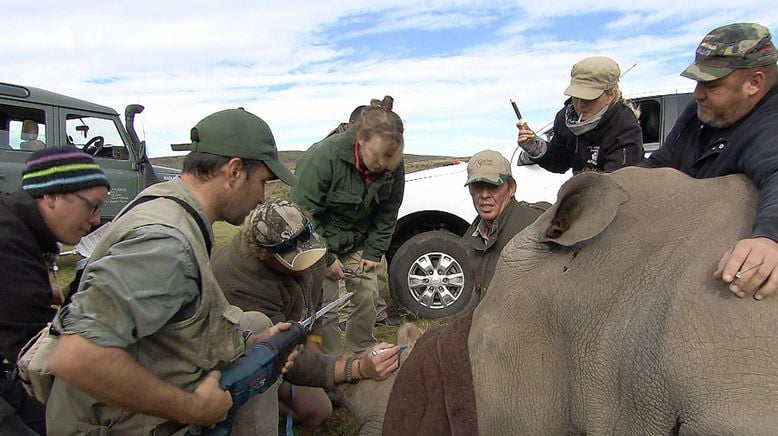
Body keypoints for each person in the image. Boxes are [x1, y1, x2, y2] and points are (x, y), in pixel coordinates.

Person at [44, 108, 299, 434]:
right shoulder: (166, 244)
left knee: (253, 324)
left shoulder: (168, 206)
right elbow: (77, 356)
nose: (262, 198)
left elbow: (175, 320)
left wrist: (250, 342)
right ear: (234, 171)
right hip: (107, 423)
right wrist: (194, 408)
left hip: (115, 406)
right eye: (262, 182)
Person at [212, 199, 401, 433]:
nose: (305, 266)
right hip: (237, 359)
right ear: (265, 254)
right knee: (315, 409)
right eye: (294, 259)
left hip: (287, 345)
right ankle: (236, 405)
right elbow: (279, 356)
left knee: (321, 397)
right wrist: (357, 368)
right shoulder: (239, 282)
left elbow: (313, 313)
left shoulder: (307, 247)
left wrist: (315, 349)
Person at [640, 22, 778, 301]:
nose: (697, 94)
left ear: (755, 83)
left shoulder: (770, 123)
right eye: (698, 82)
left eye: (712, 85)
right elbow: (662, 163)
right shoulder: (700, 112)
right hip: (680, 246)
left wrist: (768, 238)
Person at [0, 146, 109, 435]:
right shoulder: (9, 242)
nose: (96, 220)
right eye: (92, 206)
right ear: (50, 196)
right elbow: (34, 350)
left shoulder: (18, 228)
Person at [291, 95, 405, 355]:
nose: (383, 165)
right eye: (378, 157)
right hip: (316, 239)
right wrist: (327, 257)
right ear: (360, 140)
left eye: (390, 157)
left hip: (357, 239)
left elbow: (388, 211)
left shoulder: (392, 162)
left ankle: (362, 350)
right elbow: (302, 214)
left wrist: (373, 252)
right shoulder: (322, 158)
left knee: (367, 291)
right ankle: (328, 363)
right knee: (327, 304)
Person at [327, 105, 401, 329]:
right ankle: (343, 319)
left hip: (366, 221)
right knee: (346, 272)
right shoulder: (331, 152)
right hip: (338, 227)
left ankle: (377, 315)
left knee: (377, 266)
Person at [517, 56, 644, 174]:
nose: (580, 104)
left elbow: (617, 183)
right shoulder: (565, 117)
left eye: (589, 98)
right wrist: (535, 147)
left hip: (614, 192)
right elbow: (560, 162)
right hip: (583, 190)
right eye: (576, 97)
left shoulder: (624, 125)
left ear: (609, 96)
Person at [462, 150, 550, 300]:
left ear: (511, 188)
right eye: (477, 186)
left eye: (493, 186)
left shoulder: (538, 224)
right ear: (470, 190)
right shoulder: (470, 239)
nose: (484, 195)